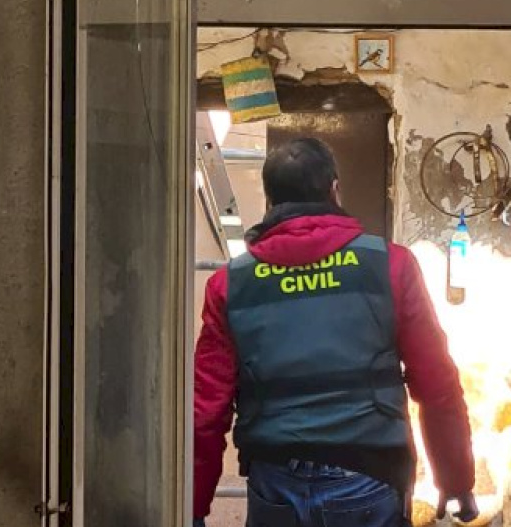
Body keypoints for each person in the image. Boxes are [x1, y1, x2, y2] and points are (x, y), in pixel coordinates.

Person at [194, 137, 478, 527]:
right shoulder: (390, 266)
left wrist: (193, 505)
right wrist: (456, 479)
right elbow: (436, 383)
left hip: (275, 486)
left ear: (270, 200)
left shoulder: (230, 284)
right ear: (334, 189)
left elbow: (206, 410)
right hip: (368, 480)